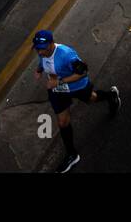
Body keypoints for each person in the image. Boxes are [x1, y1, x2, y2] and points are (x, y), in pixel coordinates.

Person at [33, 29, 120, 173]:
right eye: (37, 49)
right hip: (58, 91)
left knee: (92, 98)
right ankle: (72, 155)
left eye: (42, 49)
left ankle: (111, 96)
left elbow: (83, 72)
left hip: (76, 86)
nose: (39, 52)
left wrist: (59, 81)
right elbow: (43, 61)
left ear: (51, 44)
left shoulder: (67, 54)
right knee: (62, 122)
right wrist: (39, 70)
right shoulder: (42, 53)